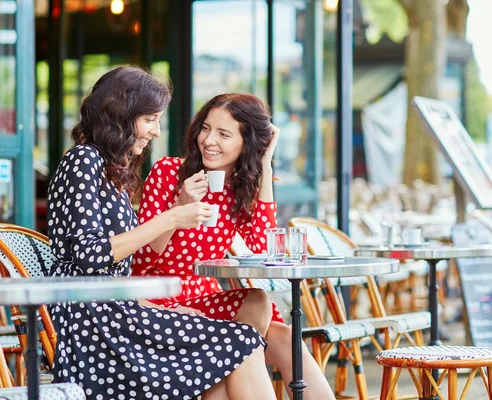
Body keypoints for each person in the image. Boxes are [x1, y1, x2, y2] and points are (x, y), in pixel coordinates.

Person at [46, 67, 279, 400]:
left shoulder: (109, 169)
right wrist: (172, 217)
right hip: (89, 322)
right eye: (150, 119)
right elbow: (90, 258)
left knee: (236, 342)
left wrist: (150, 307)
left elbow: (111, 272)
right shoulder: (84, 160)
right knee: (238, 342)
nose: (156, 131)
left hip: (113, 307)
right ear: (121, 115)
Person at [132, 93, 336, 400]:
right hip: (156, 296)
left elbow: (260, 250)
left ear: (247, 143)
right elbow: (140, 261)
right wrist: (179, 208)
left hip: (203, 296)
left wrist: (265, 169)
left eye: (224, 134)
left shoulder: (239, 188)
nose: (208, 140)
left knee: (273, 320)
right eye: (205, 128)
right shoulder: (168, 173)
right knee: (250, 332)